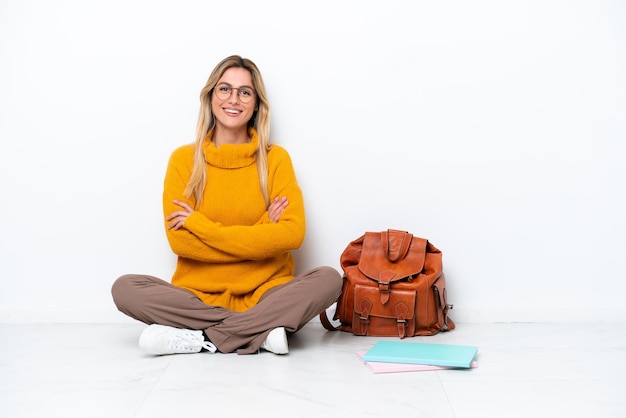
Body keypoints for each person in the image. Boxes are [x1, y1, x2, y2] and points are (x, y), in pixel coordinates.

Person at [111, 55, 342, 355]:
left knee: (329, 279)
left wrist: (199, 225)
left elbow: (292, 235)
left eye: (245, 92)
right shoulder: (183, 161)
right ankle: (260, 331)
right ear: (210, 97)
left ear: (256, 103)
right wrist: (261, 230)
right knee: (125, 288)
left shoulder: (275, 159)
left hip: (266, 294)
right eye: (225, 89)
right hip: (197, 297)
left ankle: (202, 337)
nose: (234, 99)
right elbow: (180, 242)